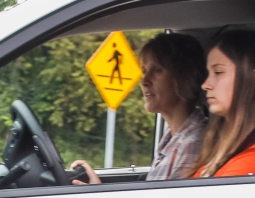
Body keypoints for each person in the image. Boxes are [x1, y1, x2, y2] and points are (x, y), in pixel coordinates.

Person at [71, 32, 208, 184]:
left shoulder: (191, 145)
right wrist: (99, 189)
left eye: (157, 70)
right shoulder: (173, 138)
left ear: (184, 77)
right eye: (144, 71)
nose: (145, 81)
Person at [192, 30, 255, 178]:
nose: (205, 85)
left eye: (218, 72)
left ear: (252, 80)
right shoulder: (224, 150)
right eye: (208, 74)